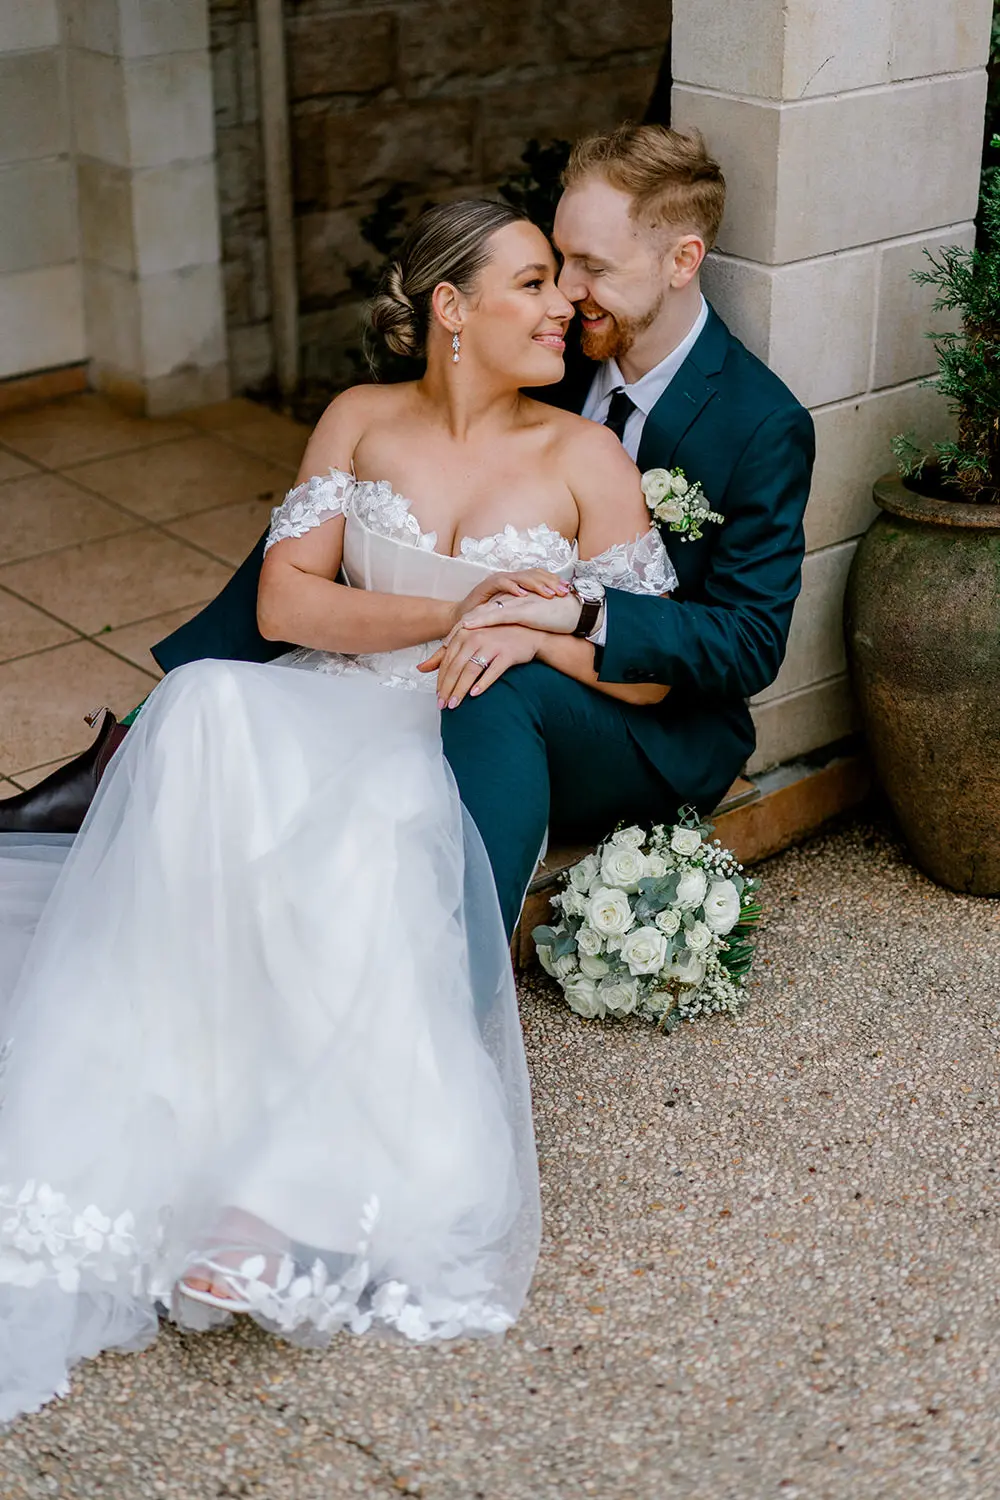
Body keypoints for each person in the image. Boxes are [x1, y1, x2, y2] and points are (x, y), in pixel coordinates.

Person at [0, 199, 677, 1422]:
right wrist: (468, 600)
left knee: (366, 837)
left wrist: (540, 629)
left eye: (559, 284)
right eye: (528, 282)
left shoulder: (588, 461)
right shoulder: (361, 423)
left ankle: (282, 1192)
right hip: (336, 690)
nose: (561, 304)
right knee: (205, 702)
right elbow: (285, 610)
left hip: (451, 725)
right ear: (451, 312)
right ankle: (165, 1089)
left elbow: (640, 668)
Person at [0, 123, 816, 941]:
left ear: (682, 261)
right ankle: (130, 749)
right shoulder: (549, 348)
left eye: (591, 269)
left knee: (487, 679)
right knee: (325, 543)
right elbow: (416, 457)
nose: (566, 293)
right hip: (469, 664)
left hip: (648, 720)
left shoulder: (759, 423)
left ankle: (460, 967)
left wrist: (542, 625)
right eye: (556, 264)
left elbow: (747, 643)